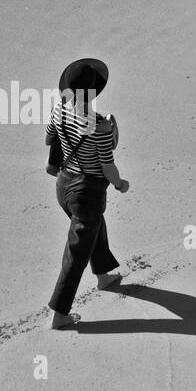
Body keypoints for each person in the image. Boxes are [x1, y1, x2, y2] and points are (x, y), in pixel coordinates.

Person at [44, 58, 130, 329]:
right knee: (76, 252)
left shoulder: (59, 109)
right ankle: (60, 314)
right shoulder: (100, 125)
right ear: (94, 92)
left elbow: (50, 137)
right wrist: (119, 184)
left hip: (63, 183)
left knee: (93, 226)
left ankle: (104, 275)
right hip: (87, 190)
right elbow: (107, 166)